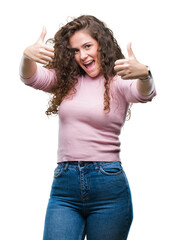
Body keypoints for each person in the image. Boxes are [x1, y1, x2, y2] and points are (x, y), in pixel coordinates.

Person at [19, 15, 156, 240]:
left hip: (108, 187)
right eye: (75, 50)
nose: (82, 56)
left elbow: (144, 93)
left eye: (87, 46)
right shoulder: (67, 80)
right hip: (65, 188)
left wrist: (146, 75)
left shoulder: (118, 80)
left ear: (101, 44)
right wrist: (26, 56)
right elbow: (31, 77)